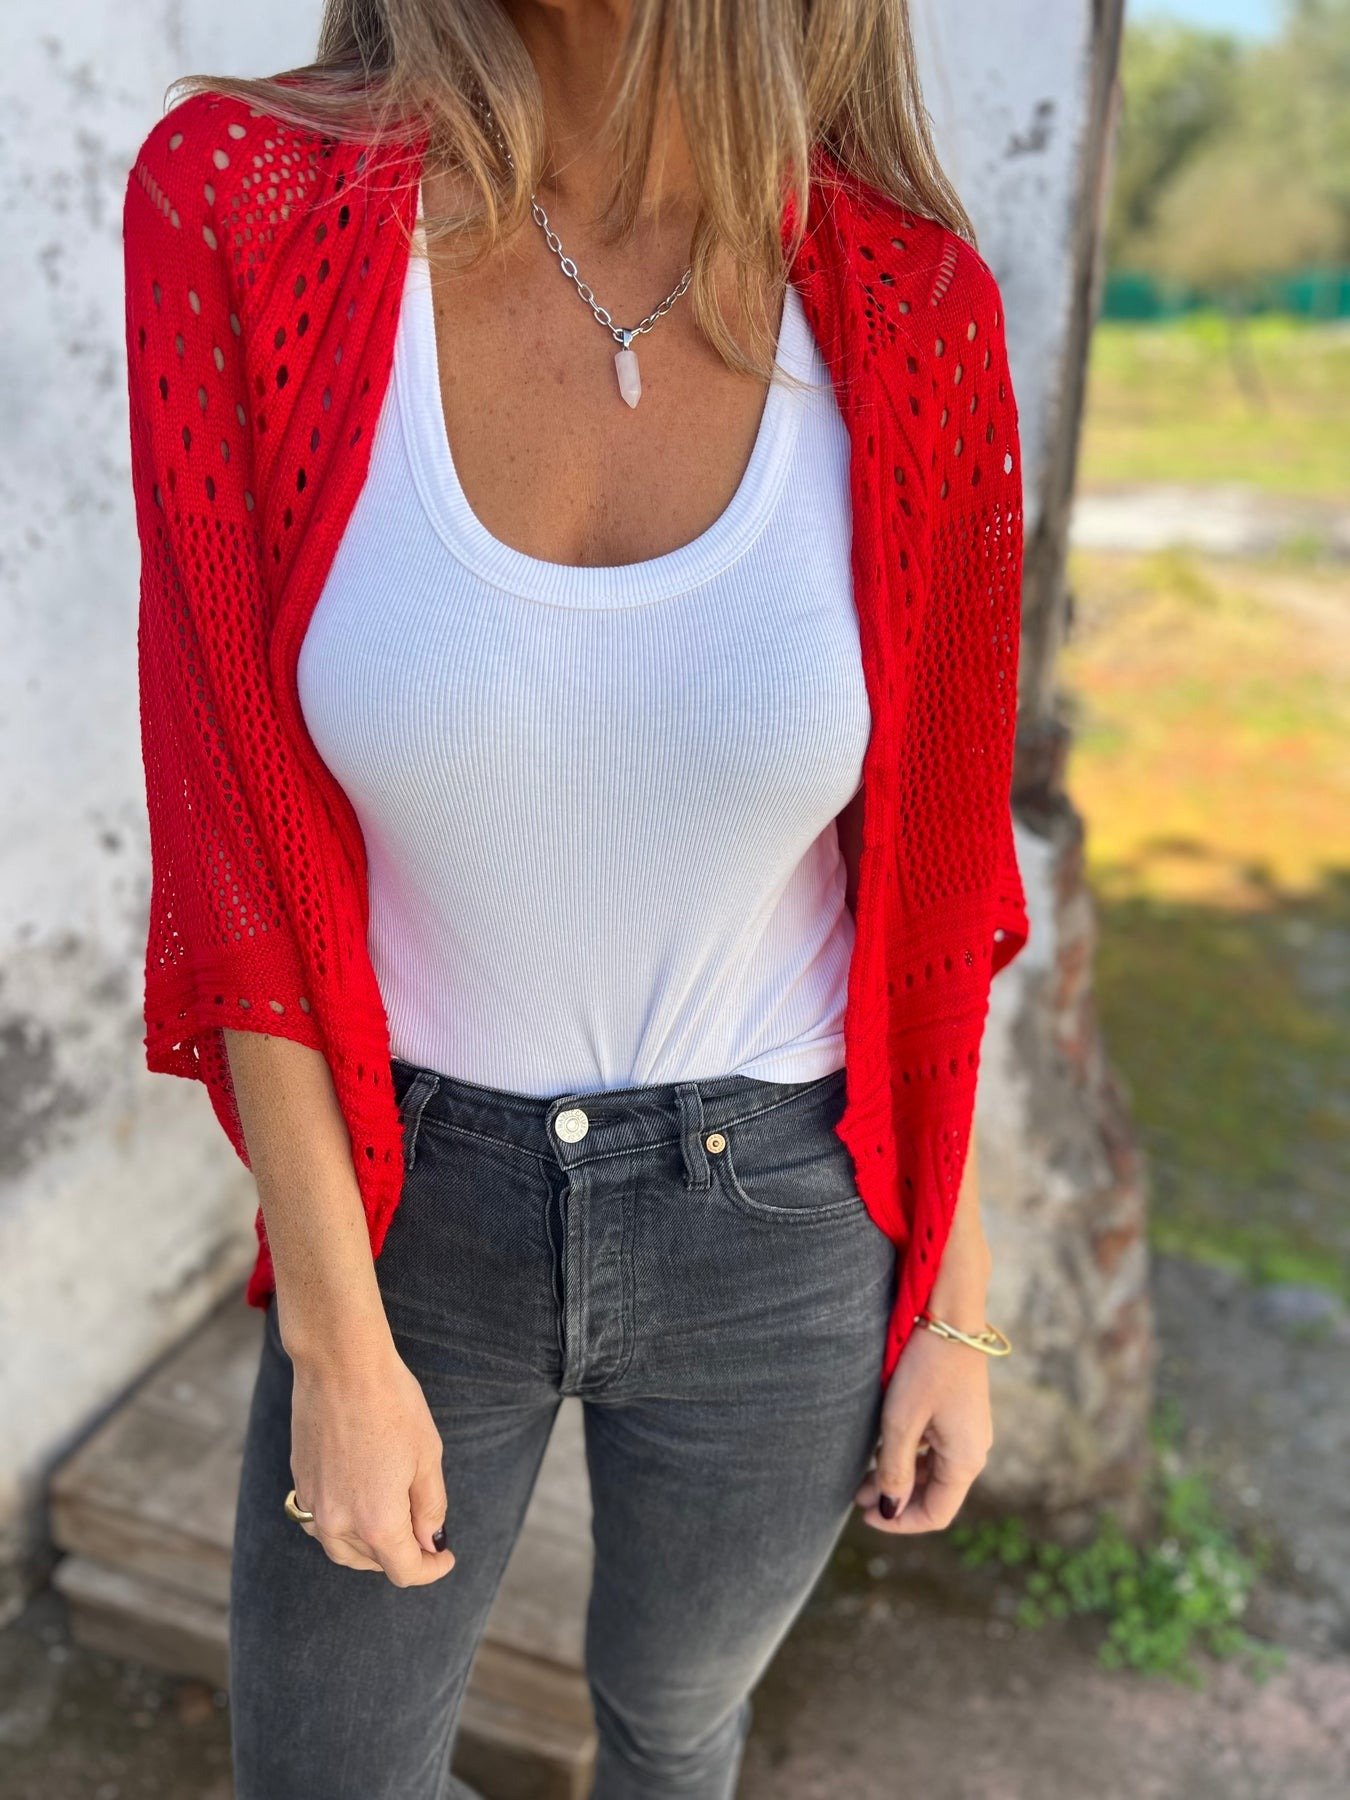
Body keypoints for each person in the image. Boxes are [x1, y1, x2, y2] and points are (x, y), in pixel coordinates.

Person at [122, 0, 1030, 1793]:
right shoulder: (245, 203)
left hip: (785, 1212)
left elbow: (927, 878)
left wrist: (956, 1295)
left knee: (675, 1731)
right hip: (412, 1207)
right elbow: (228, 825)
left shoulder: (913, 303)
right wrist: (334, 1335)